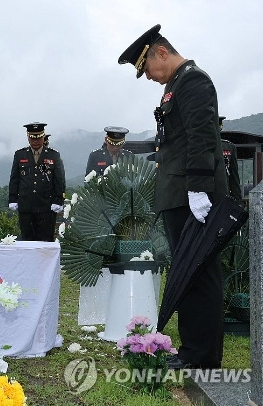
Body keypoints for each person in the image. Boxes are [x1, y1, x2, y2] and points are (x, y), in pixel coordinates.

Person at [119, 24, 228, 369]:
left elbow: (202, 136)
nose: (148, 77)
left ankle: (203, 357)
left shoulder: (193, 80)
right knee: (186, 272)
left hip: (192, 195)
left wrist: (198, 187)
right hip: (178, 194)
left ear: (161, 53)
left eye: (147, 68)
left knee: (200, 273)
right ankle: (192, 349)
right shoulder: (175, 84)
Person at [8, 122, 65, 241]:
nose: (36, 141)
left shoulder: (53, 155)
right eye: (33, 138)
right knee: (27, 241)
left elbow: (59, 180)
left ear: (43, 137)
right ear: (28, 137)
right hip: (25, 206)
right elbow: (15, 179)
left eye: (39, 137)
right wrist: (13, 199)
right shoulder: (20, 154)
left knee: (45, 242)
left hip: (46, 207)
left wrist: (58, 199)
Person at [219, 116, 242, 201]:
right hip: (224, 195)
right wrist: (237, 201)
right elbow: (234, 178)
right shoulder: (228, 146)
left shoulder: (229, 147)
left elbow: (234, 177)